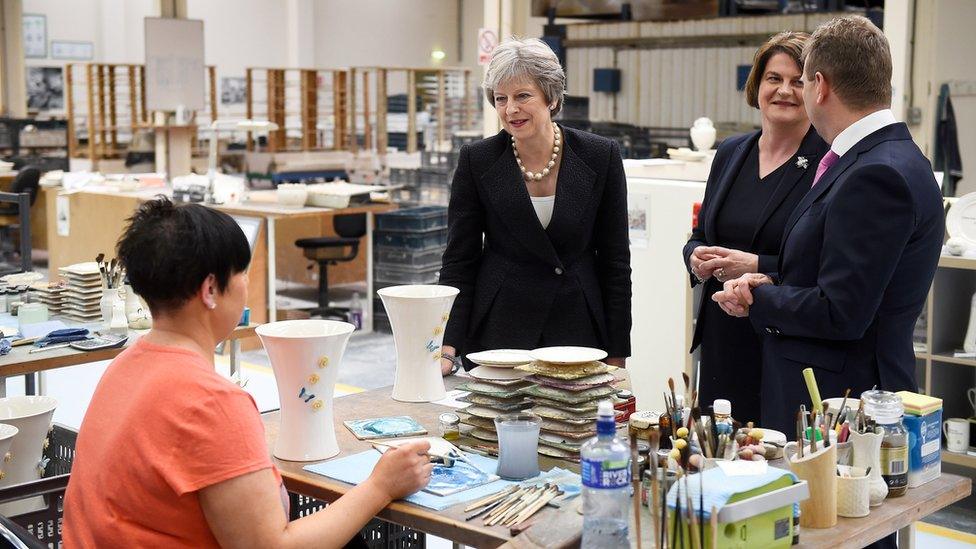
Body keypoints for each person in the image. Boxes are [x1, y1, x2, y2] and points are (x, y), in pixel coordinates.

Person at [63, 198, 433, 548]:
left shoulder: (124, 365)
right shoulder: (211, 402)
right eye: (242, 273)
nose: (245, 285)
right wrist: (381, 486)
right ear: (210, 289)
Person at [712, 16, 944, 437]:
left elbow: (843, 311)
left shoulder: (875, 175)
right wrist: (774, 277)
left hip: (838, 400)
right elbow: (842, 273)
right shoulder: (889, 158)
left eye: (800, 81)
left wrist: (759, 301)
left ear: (819, 85)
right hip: (837, 390)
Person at [438, 37, 632, 373]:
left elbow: (615, 262)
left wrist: (617, 355)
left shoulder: (601, 155)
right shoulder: (477, 160)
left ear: (551, 96)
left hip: (577, 326)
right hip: (500, 329)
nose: (510, 109)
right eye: (501, 98)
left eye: (522, 96)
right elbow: (459, 260)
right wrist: (445, 345)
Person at [682, 31, 828, 425]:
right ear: (757, 85)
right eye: (773, 78)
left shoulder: (826, 164)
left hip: (782, 338)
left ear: (817, 88)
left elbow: (823, 263)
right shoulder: (732, 152)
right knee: (720, 455)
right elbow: (701, 235)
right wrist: (694, 257)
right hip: (722, 337)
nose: (784, 90)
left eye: (798, 81)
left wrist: (756, 264)